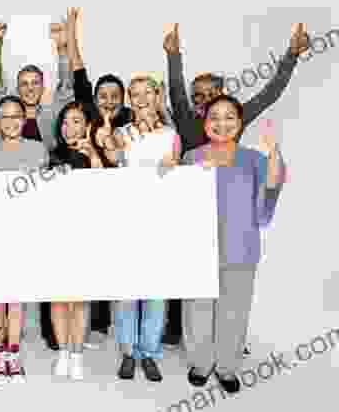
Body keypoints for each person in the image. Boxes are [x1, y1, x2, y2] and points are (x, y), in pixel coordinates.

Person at [161, 22, 308, 351]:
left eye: (211, 93)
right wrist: (172, 55)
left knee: (231, 281)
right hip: (192, 211)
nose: (203, 100)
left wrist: (292, 56)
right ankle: (183, 332)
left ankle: (229, 340)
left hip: (231, 214)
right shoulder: (186, 119)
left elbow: (269, 94)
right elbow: (174, 91)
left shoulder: (232, 120)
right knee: (189, 276)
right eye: (197, 95)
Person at [181, 94, 285, 393]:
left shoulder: (253, 158)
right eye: (215, 117)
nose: (222, 123)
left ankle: (227, 367)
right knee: (197, 310)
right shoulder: (192, 157)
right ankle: (200, 363)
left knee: (234, 310)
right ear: (205, 123)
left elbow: (273, 184)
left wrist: (273, 150)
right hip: (198, 249)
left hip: (240, 247)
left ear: (239, 124)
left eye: (229, 117)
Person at [0, 18, 75, 351]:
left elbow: (67, 87)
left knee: (47, 265)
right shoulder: (5, 117)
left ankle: (54, 331)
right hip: (8, 204)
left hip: (44, 193)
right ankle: (5, 340)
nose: (28, 87)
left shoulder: (51, 113)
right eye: (23, 83)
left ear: (42, 85)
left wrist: (62, 48)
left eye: (34, 82)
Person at [65, 7, 130, 349]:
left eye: (114, 97)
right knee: (93, 259)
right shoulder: (89, 115)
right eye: (102, 95)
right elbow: (78, 70)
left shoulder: (132, 121)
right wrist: (72, 31)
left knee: (118, 261)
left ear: (123, 101)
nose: (107, 100)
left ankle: (120, 324)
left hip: (121, 202)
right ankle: (96, 323)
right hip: (90, 202)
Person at [111, 74, 180, 383]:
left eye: (146, 93)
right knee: (126, 293)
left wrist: (173, 169)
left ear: (157, 95)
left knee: (155, 295)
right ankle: (128, 352)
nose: (140, 99)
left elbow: (180, 177)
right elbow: (114, 168)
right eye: (134, 94)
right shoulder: (121, 133)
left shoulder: (170, 134)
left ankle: (149, 353)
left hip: (162, 224)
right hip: (126, 223)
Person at [0, 95, 50, 385]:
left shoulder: (38, 149)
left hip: (25, 233)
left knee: (16, 299)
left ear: (24, 119)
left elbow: (43, 190)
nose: (11, 122)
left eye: (16, 116)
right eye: (5, 117)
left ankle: (13, 351)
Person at [46, 101, 102, 380]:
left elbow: (105, 191)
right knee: (58, 298)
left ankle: (78, 354)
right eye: (65, 122)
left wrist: (93, 156)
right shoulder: (52, 155)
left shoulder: (97, 153)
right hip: (56, 235)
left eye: (76, 121)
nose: (69, 127)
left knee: (79, 299)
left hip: (86, 236)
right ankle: (63, 352)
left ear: (87, 125)